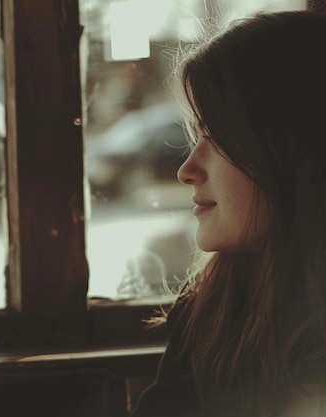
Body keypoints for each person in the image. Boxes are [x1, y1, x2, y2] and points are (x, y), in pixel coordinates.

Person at [130, 10, 326, 417]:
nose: (186, 171)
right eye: (196, 135)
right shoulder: (211, 308)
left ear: (294, 152)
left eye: (215, 138)